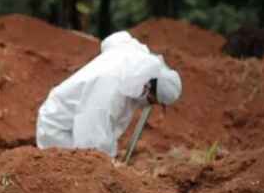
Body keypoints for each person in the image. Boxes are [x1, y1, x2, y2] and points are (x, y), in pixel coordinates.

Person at [36, 31, 182, 157]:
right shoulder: (110, 86)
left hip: (75, 123)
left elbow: (116, 40)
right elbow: (90, 139)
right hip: (59, 130)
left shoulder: (133, 61)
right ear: (148, 86)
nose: (147, 104)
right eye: (152, 100)